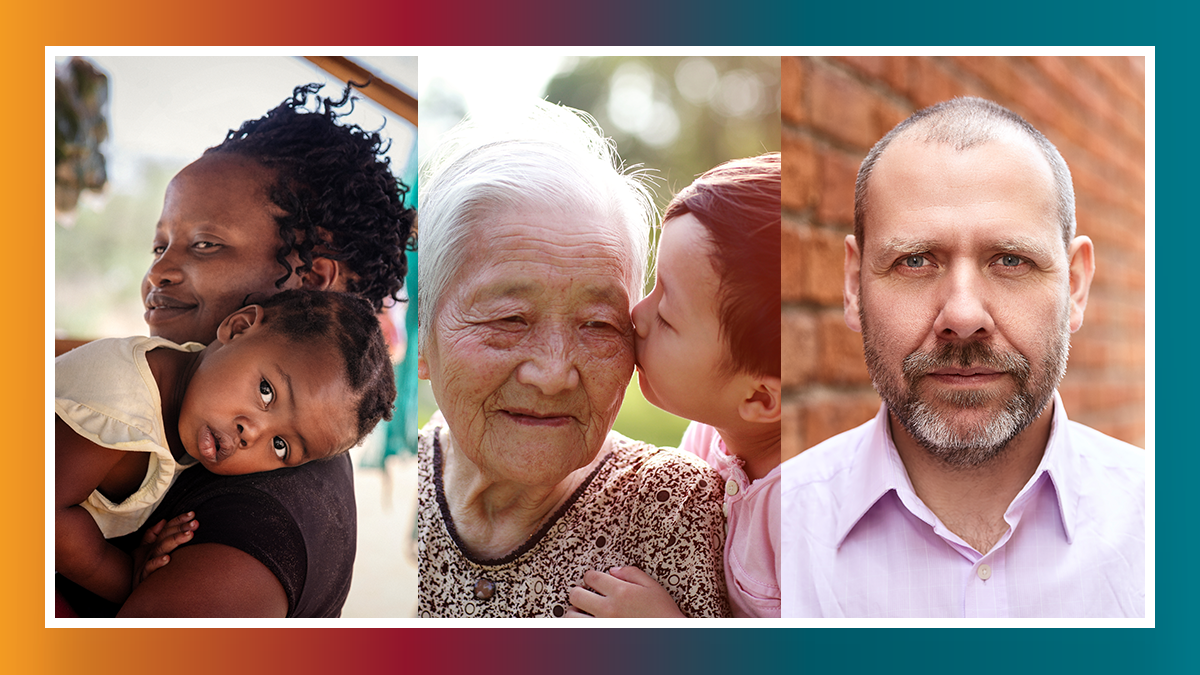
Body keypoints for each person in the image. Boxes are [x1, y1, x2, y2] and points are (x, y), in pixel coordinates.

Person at [55, 83, 416, 617]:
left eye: (206, 244)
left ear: (311, 281)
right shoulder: (167, 399)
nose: (159, 271)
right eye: (160, 245)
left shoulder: (263, 510)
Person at [781, 97, 1145, 618]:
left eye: (1011, 259)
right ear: (854, 286)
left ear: (1076, 286)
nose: (963, 315)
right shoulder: (769, 540)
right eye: (914, 261)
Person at [416, 101, 729, 618]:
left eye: (599, 324)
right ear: (423, 340)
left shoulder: (671, 505)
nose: (554, 373)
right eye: (510, 319)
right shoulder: (396, 485)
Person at [56, 290, 395, 605]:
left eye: (280, 446)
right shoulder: (118, 408)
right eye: (266, 392)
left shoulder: (192, 393)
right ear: (238, 328)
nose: (253, 434)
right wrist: (128, 576)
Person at [569, 154, 782, 618]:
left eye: (666, 316)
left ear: (759, 397)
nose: (637, 316)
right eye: (653, 286)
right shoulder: (710, 436)